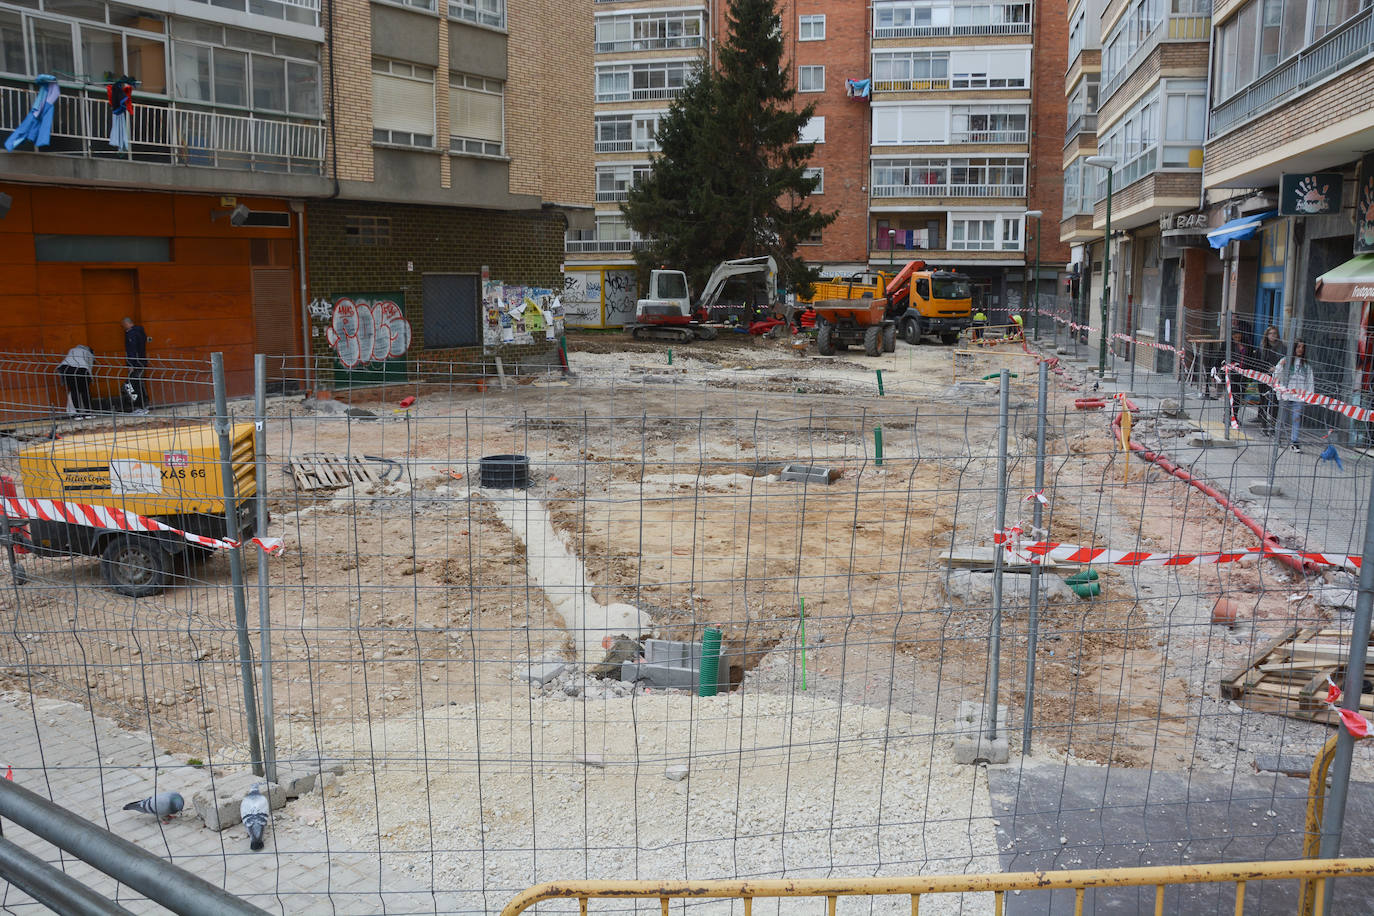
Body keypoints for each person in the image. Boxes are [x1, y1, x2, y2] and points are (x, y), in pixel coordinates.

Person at [1274, 340, 1314, 452]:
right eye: (1298, 347)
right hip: (1285, 395)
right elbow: (1277, 375)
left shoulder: (1306, 365)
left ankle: (1294, 441)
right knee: (1281, 418)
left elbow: (1310, 381)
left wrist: (1309, 396)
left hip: (1299, 397)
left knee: (1296, 419)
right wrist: (1280, 366)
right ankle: (1278, 438)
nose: (1300, 349)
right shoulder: (1285, 361)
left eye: (1302, 347)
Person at [1255, 325, 1284, 433]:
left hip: (1277, 378)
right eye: (1271, 333)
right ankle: (1263, 424)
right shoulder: (1262, 348)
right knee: (1264, 400)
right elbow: (1258, 363)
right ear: (1267, 335)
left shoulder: (1282, 348)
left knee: (1275, 402)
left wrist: (1276, 368)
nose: (1273, 336)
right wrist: (1267, 368)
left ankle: (1273, 424)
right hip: (1264, 377)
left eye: (1274, 333)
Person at [57, 344, 94, 418]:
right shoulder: (88, 353)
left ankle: (77, 414)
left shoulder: (72, 350)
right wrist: (91, 379)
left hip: (67, 369)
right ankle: (88, 413)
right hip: (81, 369)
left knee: (74, 391)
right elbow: (89, 367)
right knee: (85, 391)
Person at [121, 317, 149, 414]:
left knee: (133, 385)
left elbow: (132, 350)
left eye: (123, 325)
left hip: (136, 363)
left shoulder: (131, 334)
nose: (123, 327)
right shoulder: (140, 332)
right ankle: (144, 405)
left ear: (127, 324)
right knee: (139, 384)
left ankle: (139, 407)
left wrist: (131, 364)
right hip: (142, 361)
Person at [1227, 329, 1250, 425]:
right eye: (1235, 337)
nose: (1237, 339)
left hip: (1243, 374)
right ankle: (1228, 416)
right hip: (1232, 374)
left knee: (1239, 397)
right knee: (1231, 396)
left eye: (1239, 337)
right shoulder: (1229, 346)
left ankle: (1235, 416)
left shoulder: (1246, 347)